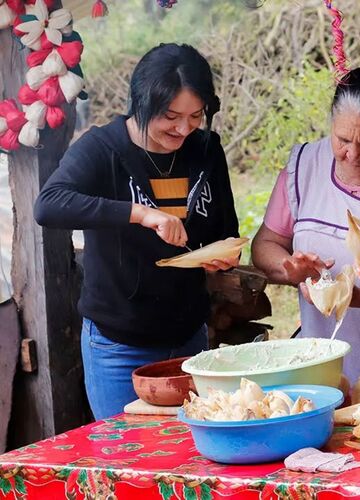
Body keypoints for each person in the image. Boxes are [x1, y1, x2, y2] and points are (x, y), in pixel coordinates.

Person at [34, 43, 239, 419]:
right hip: (118, 345)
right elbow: (49, 205)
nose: (183, 129)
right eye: (170, 116)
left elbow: (225, 228)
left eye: (196, 116)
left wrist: (221, 257)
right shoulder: (103, 148)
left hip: (188, 336)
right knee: (124, 456)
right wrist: (140, 214)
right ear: (140, 103)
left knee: (190, 459)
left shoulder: (206, 149)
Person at [251, 67, 360, 384]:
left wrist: (355, 296)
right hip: (315, 361)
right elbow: (266, 244)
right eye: (341, 139)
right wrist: (291, 269)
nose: (352, 154)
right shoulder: (304, 165)